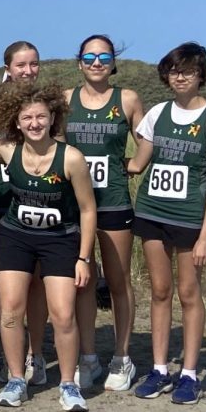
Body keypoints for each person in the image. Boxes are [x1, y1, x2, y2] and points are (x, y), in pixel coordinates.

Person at [0, 83, 97, 412]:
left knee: (62, 314)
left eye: (41, 117)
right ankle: (17, 378)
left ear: (53, 119)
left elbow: (88, 209)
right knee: (11, 310)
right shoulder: (5, 149)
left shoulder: (71, 158)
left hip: (59, 239)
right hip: (16, 236)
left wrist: (84, 258)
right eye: (27, 117)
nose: (34, 123)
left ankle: (68, 383)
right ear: (16, 121)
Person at [126, 43, 206, 405]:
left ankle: (188, 373)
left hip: (188, 219)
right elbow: (139, 161)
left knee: (188, 292)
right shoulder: (157, 113)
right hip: (152, 213)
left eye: (187, 70)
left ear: (201, 74)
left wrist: (205, 236)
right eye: (173, 70)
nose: (180, 77)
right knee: (159, 291)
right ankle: (159, 368)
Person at [64, 34, 144, 391]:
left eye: (104, 56)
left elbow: (148, 138)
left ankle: (122, 357)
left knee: (117, 280)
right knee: (82, 281)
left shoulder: (126, 98)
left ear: (113, 62)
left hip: (113, 202)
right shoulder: (66, 100)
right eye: (90, 56)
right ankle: (89, 356)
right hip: (74, 205)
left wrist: (133, 165)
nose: (97, 62)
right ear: (79, 62)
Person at [0, 42, 51, 387]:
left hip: (43, 201)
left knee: (38, 280)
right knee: (7, 280)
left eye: (34, 63)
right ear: (8, 67)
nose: (28, 70)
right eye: (21, 64)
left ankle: (36, 353)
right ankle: (8, 350)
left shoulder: (51, 105)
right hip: (4, 197)